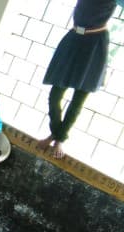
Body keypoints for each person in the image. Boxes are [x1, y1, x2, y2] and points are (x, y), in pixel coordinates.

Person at [39, 0, 123, 159]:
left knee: (78, 100)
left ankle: (58, 138)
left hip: (95, 44)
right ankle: (57, 135)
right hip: (73, 39)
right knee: (54, 96)